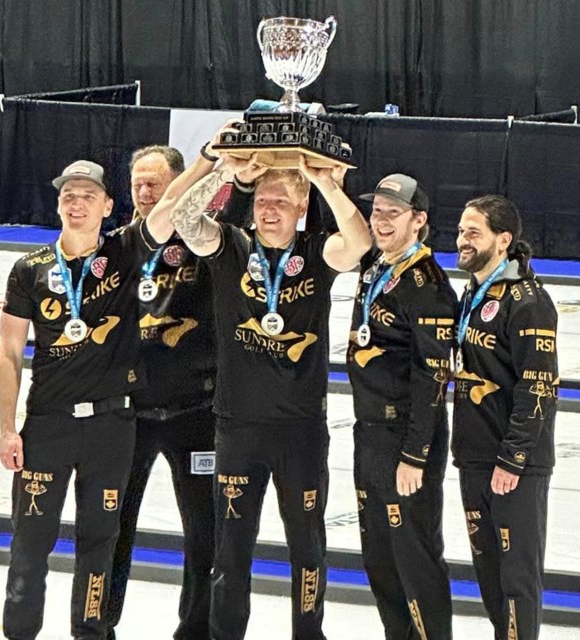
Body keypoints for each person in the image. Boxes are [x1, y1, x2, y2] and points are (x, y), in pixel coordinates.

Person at [168, 153, 372, 640]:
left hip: (300, 432)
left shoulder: (317, 252)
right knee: (231, 549)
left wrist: (325, 183)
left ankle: (309, 633)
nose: (269, 209)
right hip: (238, 427)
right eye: (263, 200)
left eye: (281, 201)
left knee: (307, 548)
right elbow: (183, 219)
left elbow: (360, 244)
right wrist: (226, 173)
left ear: (301, 207)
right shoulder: (232, 246)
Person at [106, 138, 254, 640]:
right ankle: (99, 625)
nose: (146, 192)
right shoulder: (118, 246)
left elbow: (227, 211)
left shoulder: (203, 238)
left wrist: (221, 165)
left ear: (176, 184)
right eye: (138, 183)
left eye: (155, 183)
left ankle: (196, 630)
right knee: (113, 530)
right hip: (131, 414)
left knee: (205, 534)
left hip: (196, 410)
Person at [0, 160, 150, 639]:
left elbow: (168, 210)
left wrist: (211, 159)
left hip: (111, 426)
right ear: (58, 203)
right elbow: (9, 353)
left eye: (87, 194)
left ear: (108, 205)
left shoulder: (127, 252)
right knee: (30, 543)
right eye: (68, 194)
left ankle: (90, 633)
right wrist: (7, 428)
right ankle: (20, 632)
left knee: (99, 543)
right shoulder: (30, 269)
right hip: (48, 424)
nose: (76, 201)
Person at [347, 174, 458, 640]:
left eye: (394, 213)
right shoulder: (376, 265)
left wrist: (416, 453)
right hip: (368, 432)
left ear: (419, 221)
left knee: (414, 556)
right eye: (378, 211)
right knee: (379, 557)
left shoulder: (428, 285)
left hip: (403, 439)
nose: (381, 220)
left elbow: (433, 378)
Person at [451, 194, 558, 640]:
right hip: (474, 454)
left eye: (473, 233)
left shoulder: (529, 301)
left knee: (517, 581)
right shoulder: (475, 289)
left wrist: (512, 458)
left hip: (513, 464)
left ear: (504, 240)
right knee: (490, 578)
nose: (462, 240)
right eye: (460, 231)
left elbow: (538, 385)